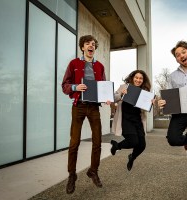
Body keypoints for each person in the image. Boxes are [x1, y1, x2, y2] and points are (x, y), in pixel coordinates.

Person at [62, 35, 110, 194]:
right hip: (79, 106)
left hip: (94, 107)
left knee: (98, 141)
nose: (91, 46)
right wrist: (76, 87)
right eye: (88, 43)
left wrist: (107, 97)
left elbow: (103, 86)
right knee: (74, 142)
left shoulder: (100, 66)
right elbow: (65, 85)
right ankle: (71, 175)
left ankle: (93, 171)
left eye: (93, 44)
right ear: (82, 47)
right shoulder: (74, 63)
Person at [110, 70, 153, 171]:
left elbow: (146, 108)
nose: (138, 80)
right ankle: (117, 146)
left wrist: (150, 103)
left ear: (143, 80)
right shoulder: (124, 87)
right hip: (126, 119)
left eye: (140, 78)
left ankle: (132, 157)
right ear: (132, 78)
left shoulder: (145, 92)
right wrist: (121, 94)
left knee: (142, 145)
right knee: (133, 141)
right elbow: (113, 98)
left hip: (137, 120)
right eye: (136, 78)